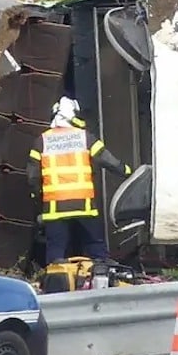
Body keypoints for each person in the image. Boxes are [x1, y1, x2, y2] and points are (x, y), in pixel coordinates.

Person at [27, 96, 131, 264]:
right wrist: (127, 172)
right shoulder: (85, 138)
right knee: (96, 248)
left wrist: (38, 199)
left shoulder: (42, 141)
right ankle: (103, 282)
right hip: (84, 206)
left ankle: (57, 285)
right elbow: (108, 161)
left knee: (56, 253)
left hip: (55, 208)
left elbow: (32, 177)